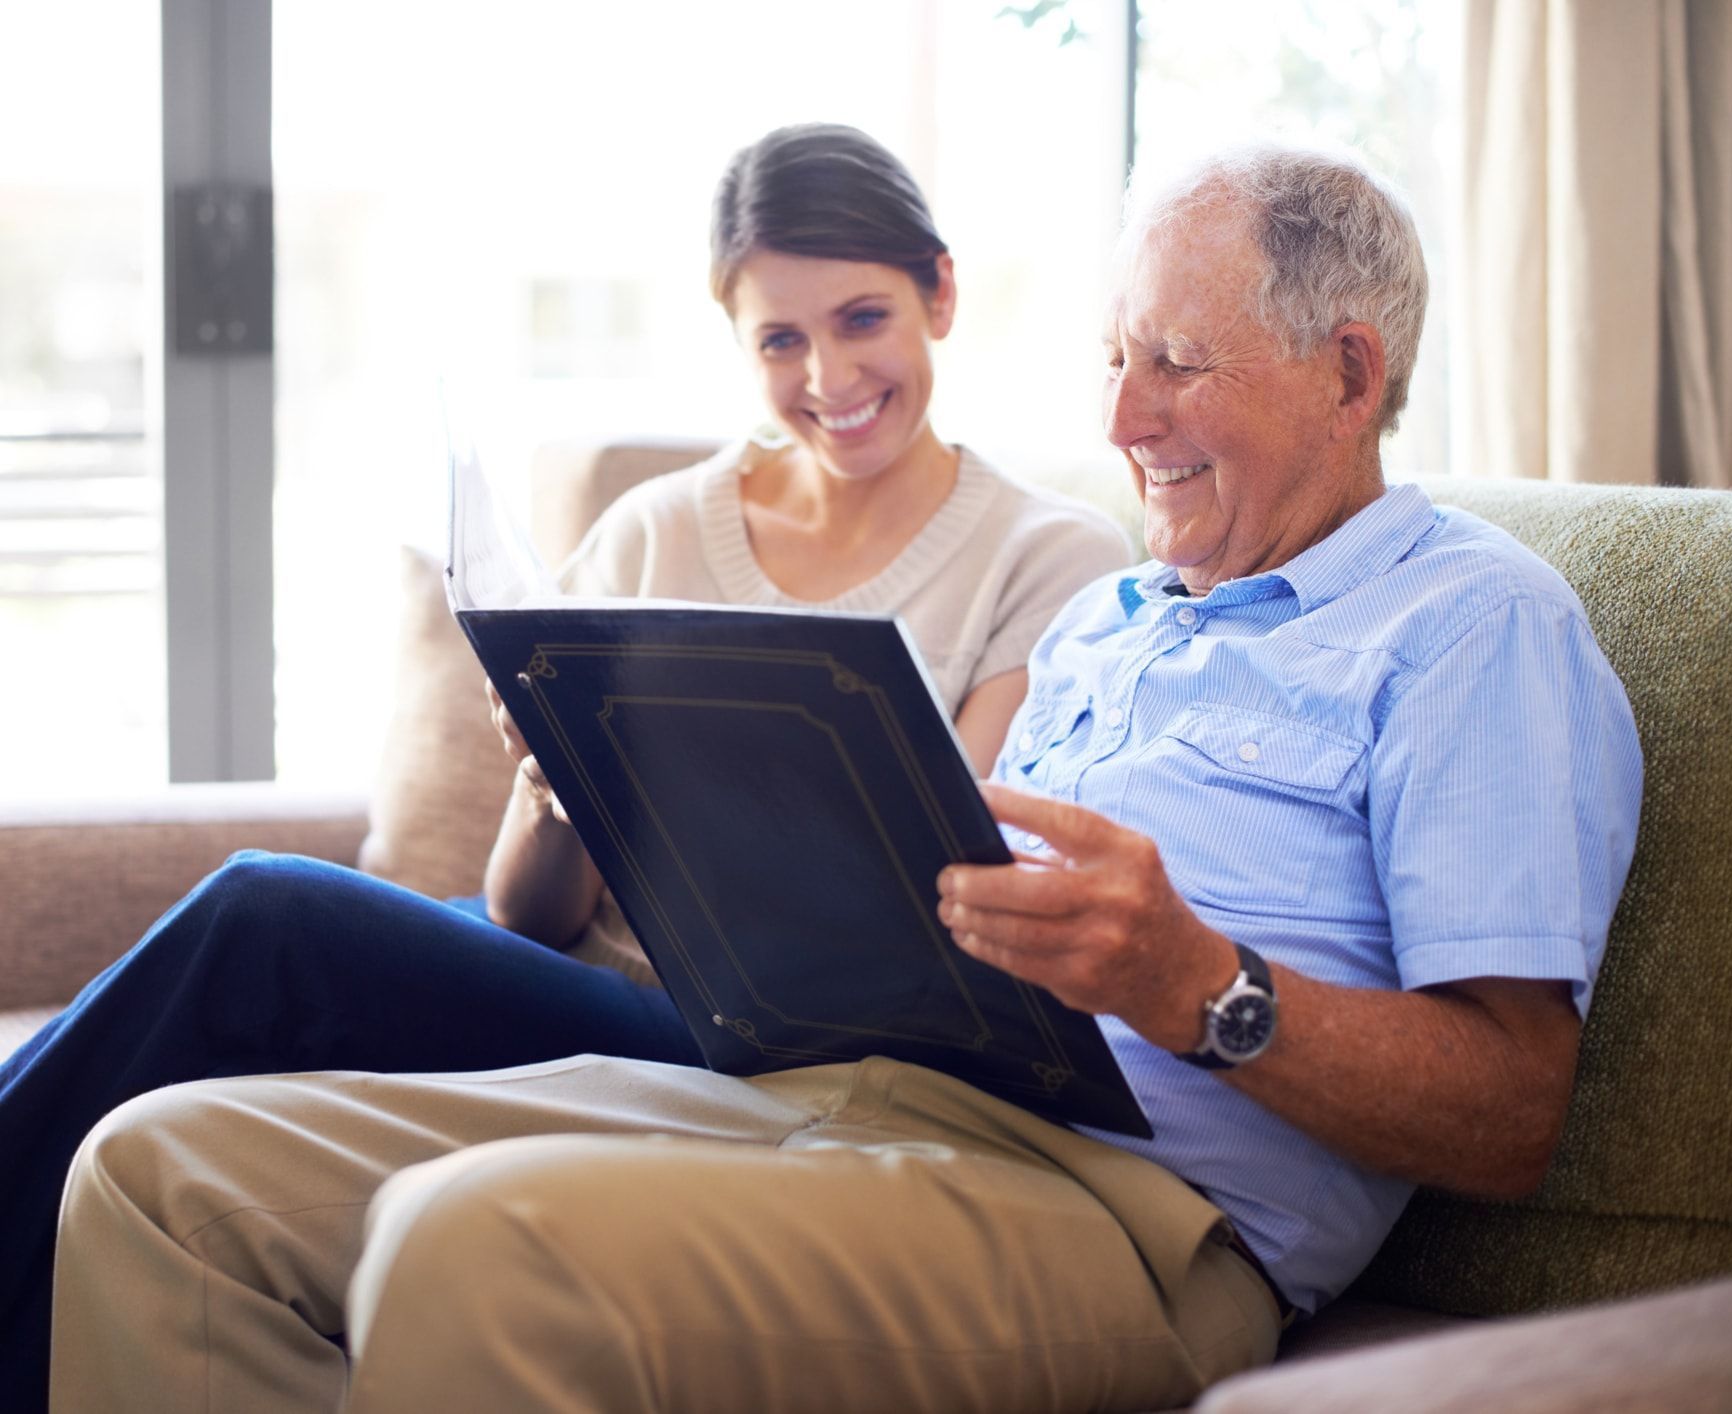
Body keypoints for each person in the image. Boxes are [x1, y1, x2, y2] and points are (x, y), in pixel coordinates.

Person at [47, 143, 1644, 1414]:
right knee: (157, 1174)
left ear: (1347, 372)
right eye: (1110, 357)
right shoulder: (1112, 618)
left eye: (1173, 361)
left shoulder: (1470, 628)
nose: (1120, 416)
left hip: (1131, 1219)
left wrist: (1202, 985)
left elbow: (1510, 1110)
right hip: (826, 1093)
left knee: (474, 1248)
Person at [0, 124, 1130, 1409]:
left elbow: (936, 911)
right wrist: (557, 788)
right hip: (578, 990)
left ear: (938, 292)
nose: (827, 374)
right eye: (777, 339)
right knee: (167, 1079)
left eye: (862, 318)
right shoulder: (654, 529)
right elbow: (526, 913)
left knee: (267, 915)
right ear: (736, 337)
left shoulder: (1049, 558)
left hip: (769, 1049)